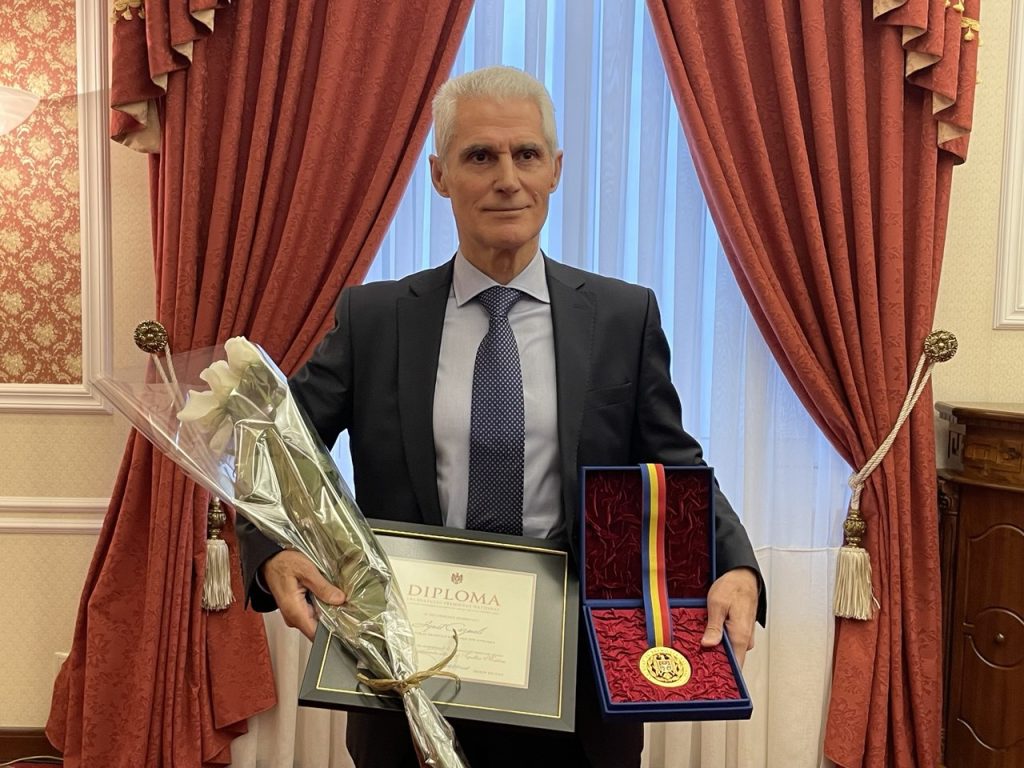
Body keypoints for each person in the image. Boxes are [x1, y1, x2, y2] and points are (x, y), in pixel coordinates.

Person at [238, 65, 764, 768]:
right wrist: (270, 548)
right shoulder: (374, 319)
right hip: (410, 676)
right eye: (480, 156)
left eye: (527, 154)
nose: (507, 179)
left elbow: (671, 462)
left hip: (576, 685)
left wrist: (736, 564)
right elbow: (278, 448)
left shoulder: (621, 315)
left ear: (555, 170)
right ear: (440, 175)